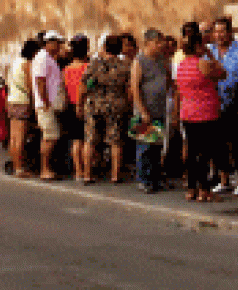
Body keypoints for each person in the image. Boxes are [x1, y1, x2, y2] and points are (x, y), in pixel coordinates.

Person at [174, 31, 225, 201]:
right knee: (204, 152)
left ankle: (191, 188)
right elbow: (223, 73)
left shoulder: (181, 65)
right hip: (205, 113)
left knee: (191, 151)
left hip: (187, 112)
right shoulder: (203, 64)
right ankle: (204, 189)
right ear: (197, 47)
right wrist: (211, 55)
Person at [209, 16, 238, 196]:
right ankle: (224, 180)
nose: (219, 35)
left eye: (222, 31)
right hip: (214, 103)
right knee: (218, 144)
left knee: (237, 144)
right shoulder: (209, 51)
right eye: (216, 31)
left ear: (230, 32)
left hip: (236, 102)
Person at [82, 35, 131, 184]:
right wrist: (127, 103)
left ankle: (87, 175)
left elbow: (84, 83)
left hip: (95, 104)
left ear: (105, 47)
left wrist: (80, 103)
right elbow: (129, 88)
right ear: (120, 48)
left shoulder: (94, 63)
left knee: (90, 139)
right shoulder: (125, 65)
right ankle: (115, 175)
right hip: (116, 104)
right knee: (115, 141)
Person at [131, 29, 170, 194]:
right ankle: (144, 180)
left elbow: (167, 80)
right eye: (157, 42)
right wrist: (142, 110)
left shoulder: (162, 60)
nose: (161, 45)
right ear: (148, 43)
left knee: (156, 146)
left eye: (161, 42)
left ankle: (155, 178)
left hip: (159, 109)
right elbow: (134, 87)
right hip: (144, 111)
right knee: (144, 147)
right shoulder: (139, 61)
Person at [32, 30, 65, 180]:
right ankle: (45, 169)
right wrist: (45, 101)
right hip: (46, 104)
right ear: (49, 43)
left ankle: (47, 168)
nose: (59, 46)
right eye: (57, 43)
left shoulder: (48, 58)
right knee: (49, 137)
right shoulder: (42, 58)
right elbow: (40, 80)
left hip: (49, 103)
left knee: (50, 136)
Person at [5, 39, 40, 177]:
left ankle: (14, 165)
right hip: (22, 101)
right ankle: (19, 169)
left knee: (13, 137)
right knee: (20, 137)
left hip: (12, 100)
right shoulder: (26, 64)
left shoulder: (15, 62)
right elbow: (30, 85)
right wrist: (34, 102)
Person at [63, 35, 90, 181]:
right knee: (87, 140)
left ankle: (78, 171)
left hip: (71, 106)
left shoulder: (66, 69)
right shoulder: (87, 68)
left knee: (76, 140)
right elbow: (86, 88)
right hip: (85, 105)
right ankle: (87, 171)